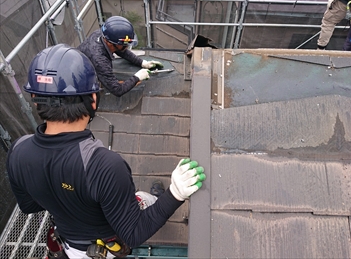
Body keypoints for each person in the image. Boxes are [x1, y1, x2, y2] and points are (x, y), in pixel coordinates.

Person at [6, 44, 206, 258]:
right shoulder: (103, 166)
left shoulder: (18, 150)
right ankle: (158, 198)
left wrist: (61, 194)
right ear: (93, 100)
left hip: (69, 245)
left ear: (36, 102)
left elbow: (28, 206)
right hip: (102, 247)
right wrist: (176, 193)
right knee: (145, 200)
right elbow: (134, 233)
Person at [77, 15, 164, 97]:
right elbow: (117, 90)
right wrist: (137, 77)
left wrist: (142, 63)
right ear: (111, 43)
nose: (127, 46)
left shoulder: (104, 34)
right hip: (79, 81)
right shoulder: (100, 60)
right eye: (125, 44)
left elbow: (121, 50)